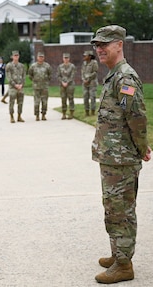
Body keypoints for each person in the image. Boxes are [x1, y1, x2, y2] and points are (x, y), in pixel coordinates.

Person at [91, 25, 151, 284]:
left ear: (119, 45)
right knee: (112, 208)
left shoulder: (124, 77)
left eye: (105, 44)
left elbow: (136, 117)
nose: (99, 49)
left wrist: (142, 148)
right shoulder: (114, 75)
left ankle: (124, 265)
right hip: (112, 158)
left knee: (122, 211)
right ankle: (118, 253)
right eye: (97, 44)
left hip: (122, 159)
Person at [28, 52, 52, 121]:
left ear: (43, 58)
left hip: (45, 87)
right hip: (36, 87)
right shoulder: (33, 66)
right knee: (36, 102)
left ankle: (43, 115)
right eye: (39, 57)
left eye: (42, 57)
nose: (41, 58)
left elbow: (50, 75)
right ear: (37, 57)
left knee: (44, 102)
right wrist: (34, 80)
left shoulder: (47, 66)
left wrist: (46, 81)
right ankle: (37, 115)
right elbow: (30, 75)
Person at [4, 50, 26, 123]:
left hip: (20, 87)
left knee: (20, 102)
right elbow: (8, 77)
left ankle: (19, 116)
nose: (16, 57)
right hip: (13, 87)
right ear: (12, 57)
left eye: (17, 55)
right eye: (15, 56)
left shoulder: (22, 66)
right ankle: (12, 116)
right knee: (12, 102)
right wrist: (15, 85)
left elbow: (24, 76)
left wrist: (21, 84)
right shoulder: (9, 66)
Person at [56, 53, 76, 120]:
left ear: (69, 58)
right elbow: (58, 75)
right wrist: (62, 82)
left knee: (71, 99)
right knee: (63, 99)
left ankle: (71, 113)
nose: (66, 59)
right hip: (62, 85)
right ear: (63, 58)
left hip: (70, 85)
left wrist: (67, 82)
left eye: (67, 58)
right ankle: (64, 114)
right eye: (65, 58)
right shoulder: (60, 66)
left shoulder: (72, 66)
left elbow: (72, 75)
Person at [81, 50, 98, 116]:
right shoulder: (84, 63)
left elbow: (95, 72)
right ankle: (87, 111)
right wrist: (84, 79)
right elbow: (82, 73)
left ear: (90, 56)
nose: (84, 56)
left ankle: (93, 112)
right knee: (85, 97)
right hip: (85, 83)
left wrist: (88, 79)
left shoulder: (94, 63)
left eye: (86, 55)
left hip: (92, 83)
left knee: (92, 97)